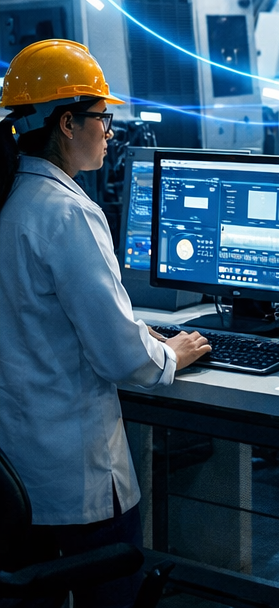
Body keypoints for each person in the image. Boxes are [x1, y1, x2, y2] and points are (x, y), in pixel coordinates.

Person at [0, 39, 211, 608]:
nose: (110, 130)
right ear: (67, 123)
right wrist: (174, 351)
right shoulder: (67, 212)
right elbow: (121, 359)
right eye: (102, 117)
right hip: (73, 480)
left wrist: (139, 333)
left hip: (14, 479)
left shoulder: (11, 200)